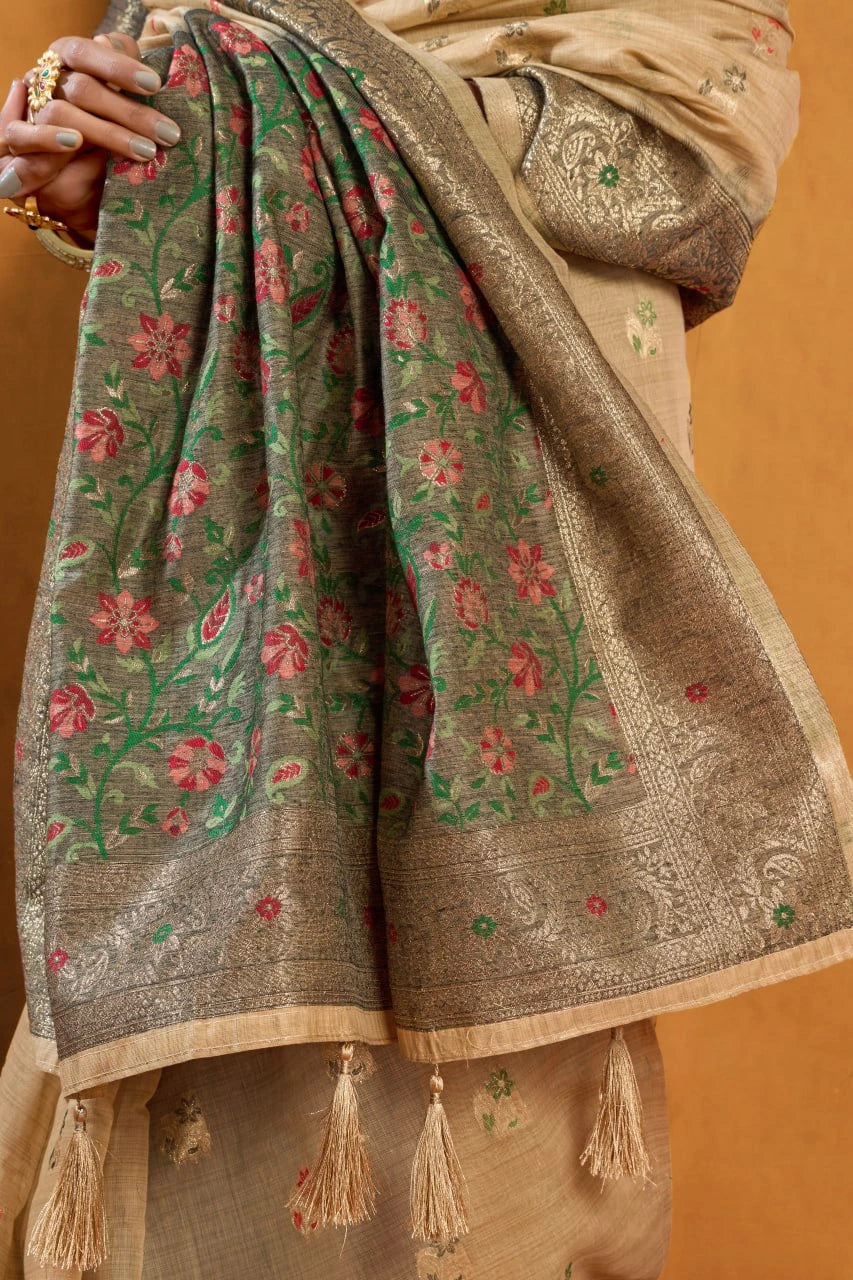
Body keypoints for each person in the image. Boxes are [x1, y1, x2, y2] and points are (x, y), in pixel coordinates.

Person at [0, 2, 850, 1277]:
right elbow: (161, 113)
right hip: (236, 560)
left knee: (480, 1123)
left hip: (505, 565)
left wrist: (299, 104)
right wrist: (98, 157)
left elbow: (697, 141)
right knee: (201, 1066)